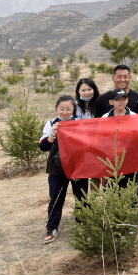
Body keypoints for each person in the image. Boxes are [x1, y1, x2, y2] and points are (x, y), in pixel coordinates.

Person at [40, 96, 86, 244]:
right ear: (56, 109)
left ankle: (82, 224)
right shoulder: (50, 124)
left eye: (68, 109)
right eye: (62, 109)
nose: (65, 112)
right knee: (56, 198)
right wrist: (53, 134)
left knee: (81, 196)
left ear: (73, 109)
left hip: (77, 166)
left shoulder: (79, 123)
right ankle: (52, 228)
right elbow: (43, 146)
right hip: (56, 167)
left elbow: (85, 145)